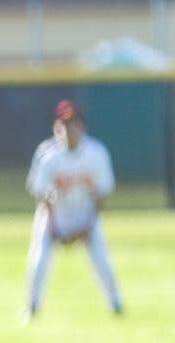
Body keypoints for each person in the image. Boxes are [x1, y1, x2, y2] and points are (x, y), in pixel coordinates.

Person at [22, 99, 124, 323]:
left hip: (86, 214)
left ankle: (116, 304)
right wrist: (55, 226)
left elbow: (103, 192)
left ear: (82, 126)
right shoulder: (48, 154)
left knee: (102, 260)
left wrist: (87, 226)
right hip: (53, 214)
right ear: (56, 127)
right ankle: (32, 307)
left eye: (73, 123)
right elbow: (40, 192)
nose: (69, 129)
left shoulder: (96, 153)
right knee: (39, 261)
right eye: (64, 124)